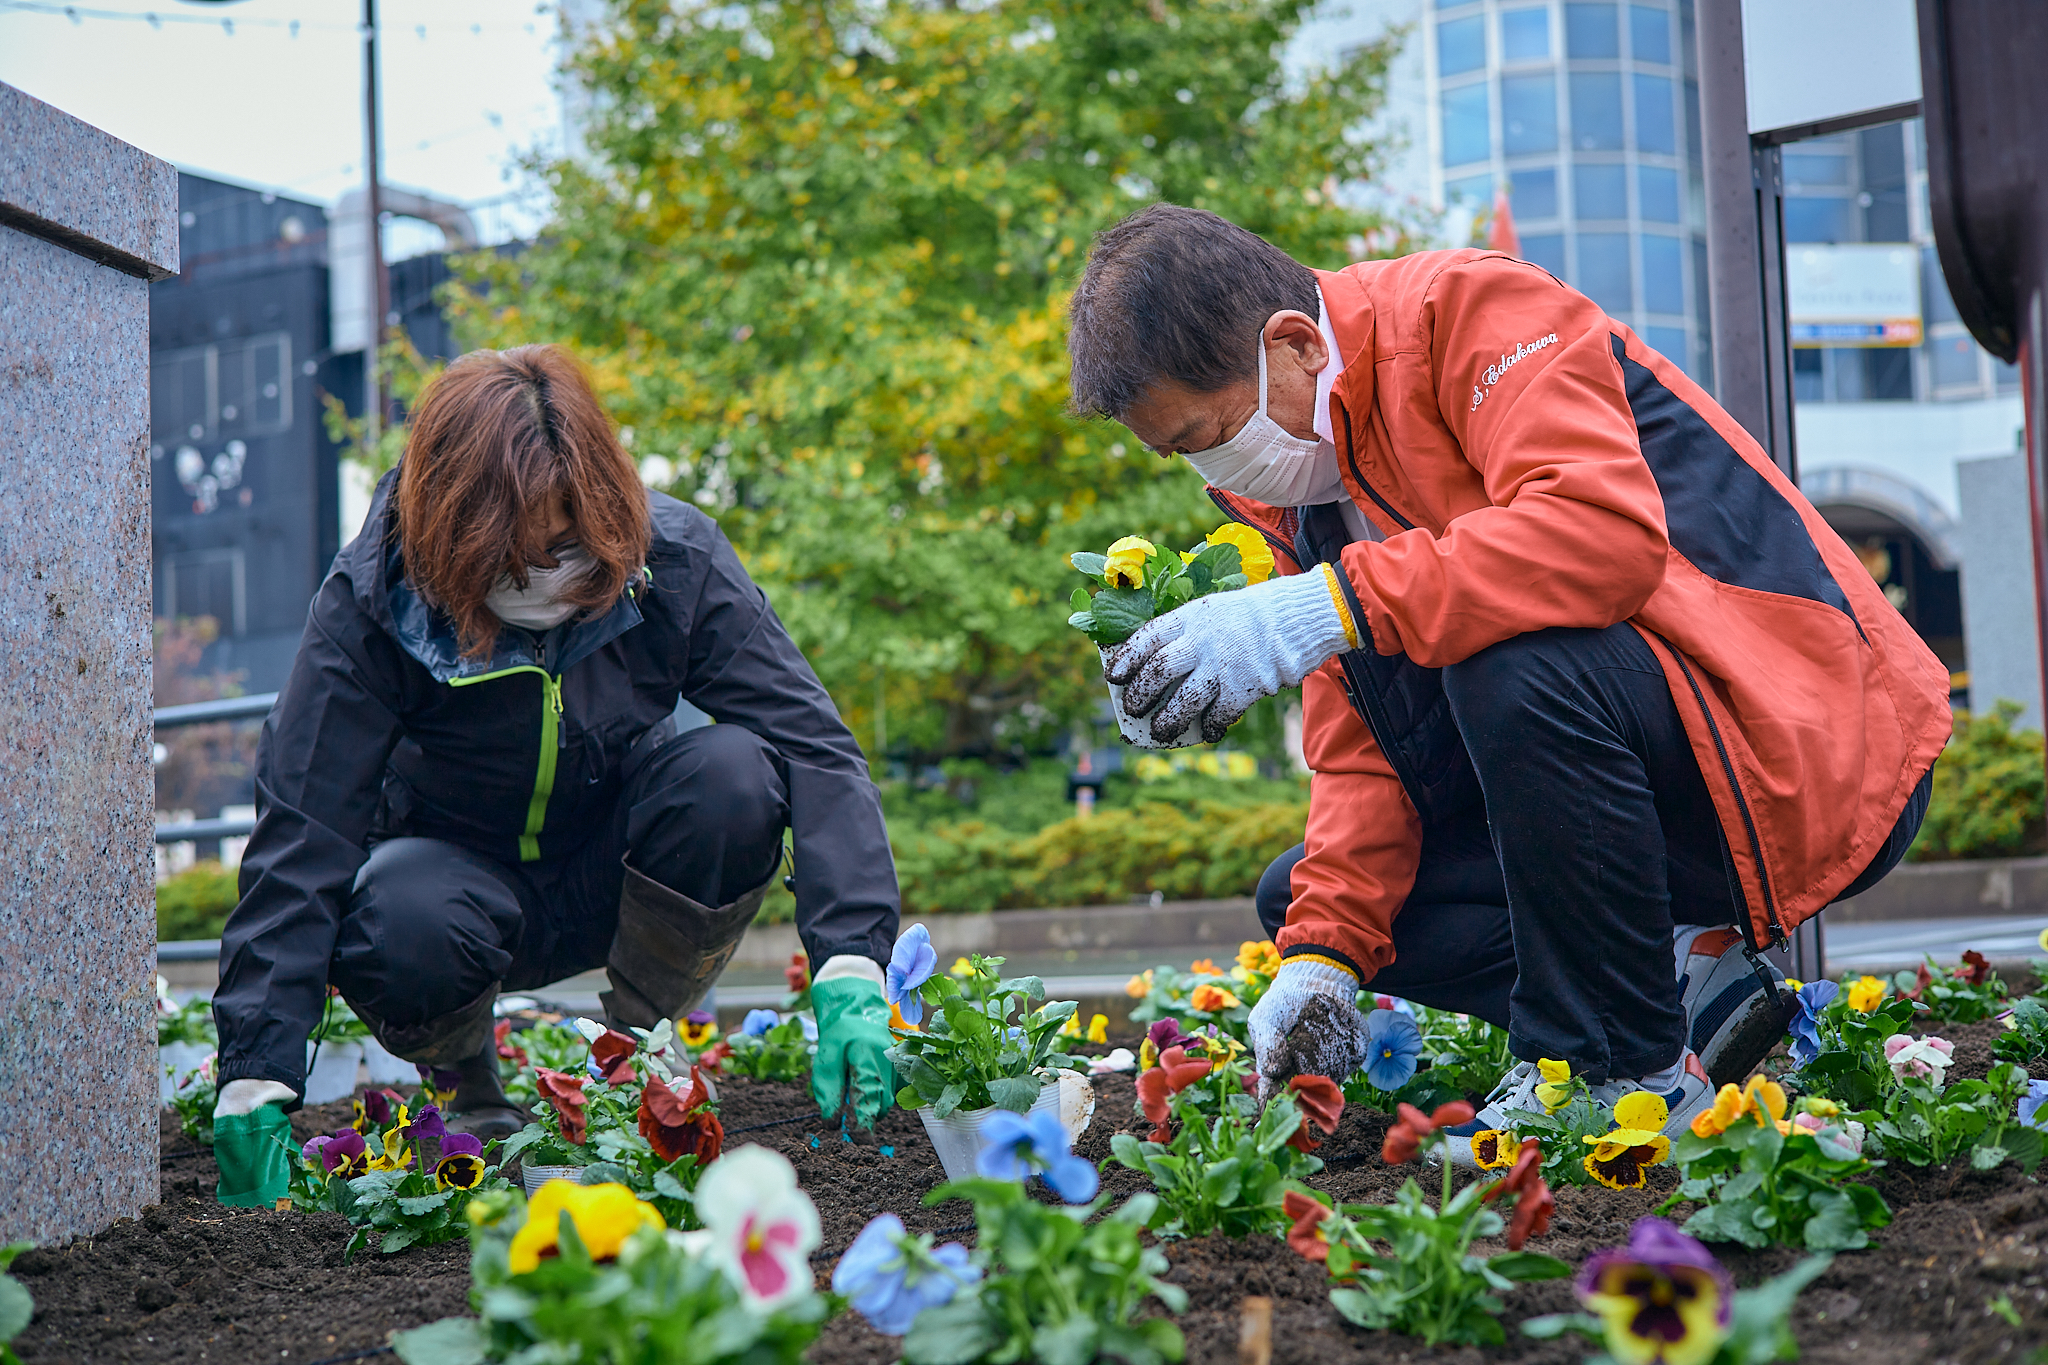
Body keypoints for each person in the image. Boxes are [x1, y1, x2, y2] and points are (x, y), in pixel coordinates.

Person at [1065, 205, 1949, 1156]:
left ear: (1295, 343)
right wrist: (1320, 964)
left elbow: (1600, 536)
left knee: (1511, 658)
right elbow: (1369, 747)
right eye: (1180, 452)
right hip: (1656, 786)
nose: (1210, 466)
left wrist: (1327, 606)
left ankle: (1612, 1071)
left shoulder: (1468, 309)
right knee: (1304, 902)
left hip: (1809, 748)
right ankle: (1679, 978)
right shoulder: (1295, 488)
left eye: (1207, 433)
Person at [209, 345, 900, 1152]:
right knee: (395, 913)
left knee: (734, 777)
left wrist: (852, 962)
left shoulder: (671, 560)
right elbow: (303, 825)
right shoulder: (376, 602)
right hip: (447, 899)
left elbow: (810, 744)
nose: (552, 576)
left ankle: (633, 1053)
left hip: (617, 870)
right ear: (455, 537)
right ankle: (465, 1082)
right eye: (519, 560)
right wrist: (255, 1069)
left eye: (571, 545)